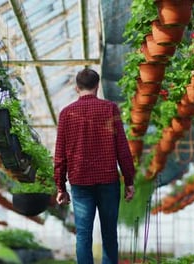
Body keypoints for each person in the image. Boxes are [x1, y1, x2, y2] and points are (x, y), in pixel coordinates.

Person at [53, 68, 135, 264]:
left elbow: (59, 155)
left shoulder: (66, 114)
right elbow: (122, 148)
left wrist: (60, 187)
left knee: (83, 234)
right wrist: (129, 180)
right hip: (108, 181)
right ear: (97, 86)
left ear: (76, 88)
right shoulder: (110, 109)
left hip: (80, 181)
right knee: (109, 234)